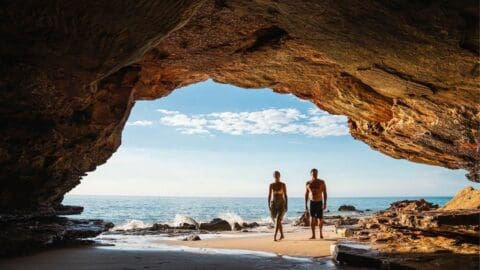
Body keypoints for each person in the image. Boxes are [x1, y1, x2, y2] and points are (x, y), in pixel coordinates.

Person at [305, 168, 327, 239]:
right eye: (313, 173)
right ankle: (313, 235)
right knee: (312, 218)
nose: (314, 174)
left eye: (316, 173)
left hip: (319, 202)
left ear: (317, 174)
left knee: (320, 218)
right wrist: (305, 204)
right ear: (311, 174)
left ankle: (321, 233)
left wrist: (325, 203)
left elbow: (325, 192)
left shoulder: (321, 182)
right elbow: (306, 193)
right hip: (312, 202)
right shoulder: (308, 183)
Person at [268, 171, 288, 241]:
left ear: (279, 176)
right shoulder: (271, 185)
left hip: (281, 204)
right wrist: (269, 205)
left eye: (277, 175)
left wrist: (286, 205)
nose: (276, 176)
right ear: (273, 176)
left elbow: (285, 195)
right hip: (273, 204)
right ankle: (282, 235)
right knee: (276, 220)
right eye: (275, 175)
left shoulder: (283, 185)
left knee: (278, 219)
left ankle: (275, 236)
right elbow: (269, 195)